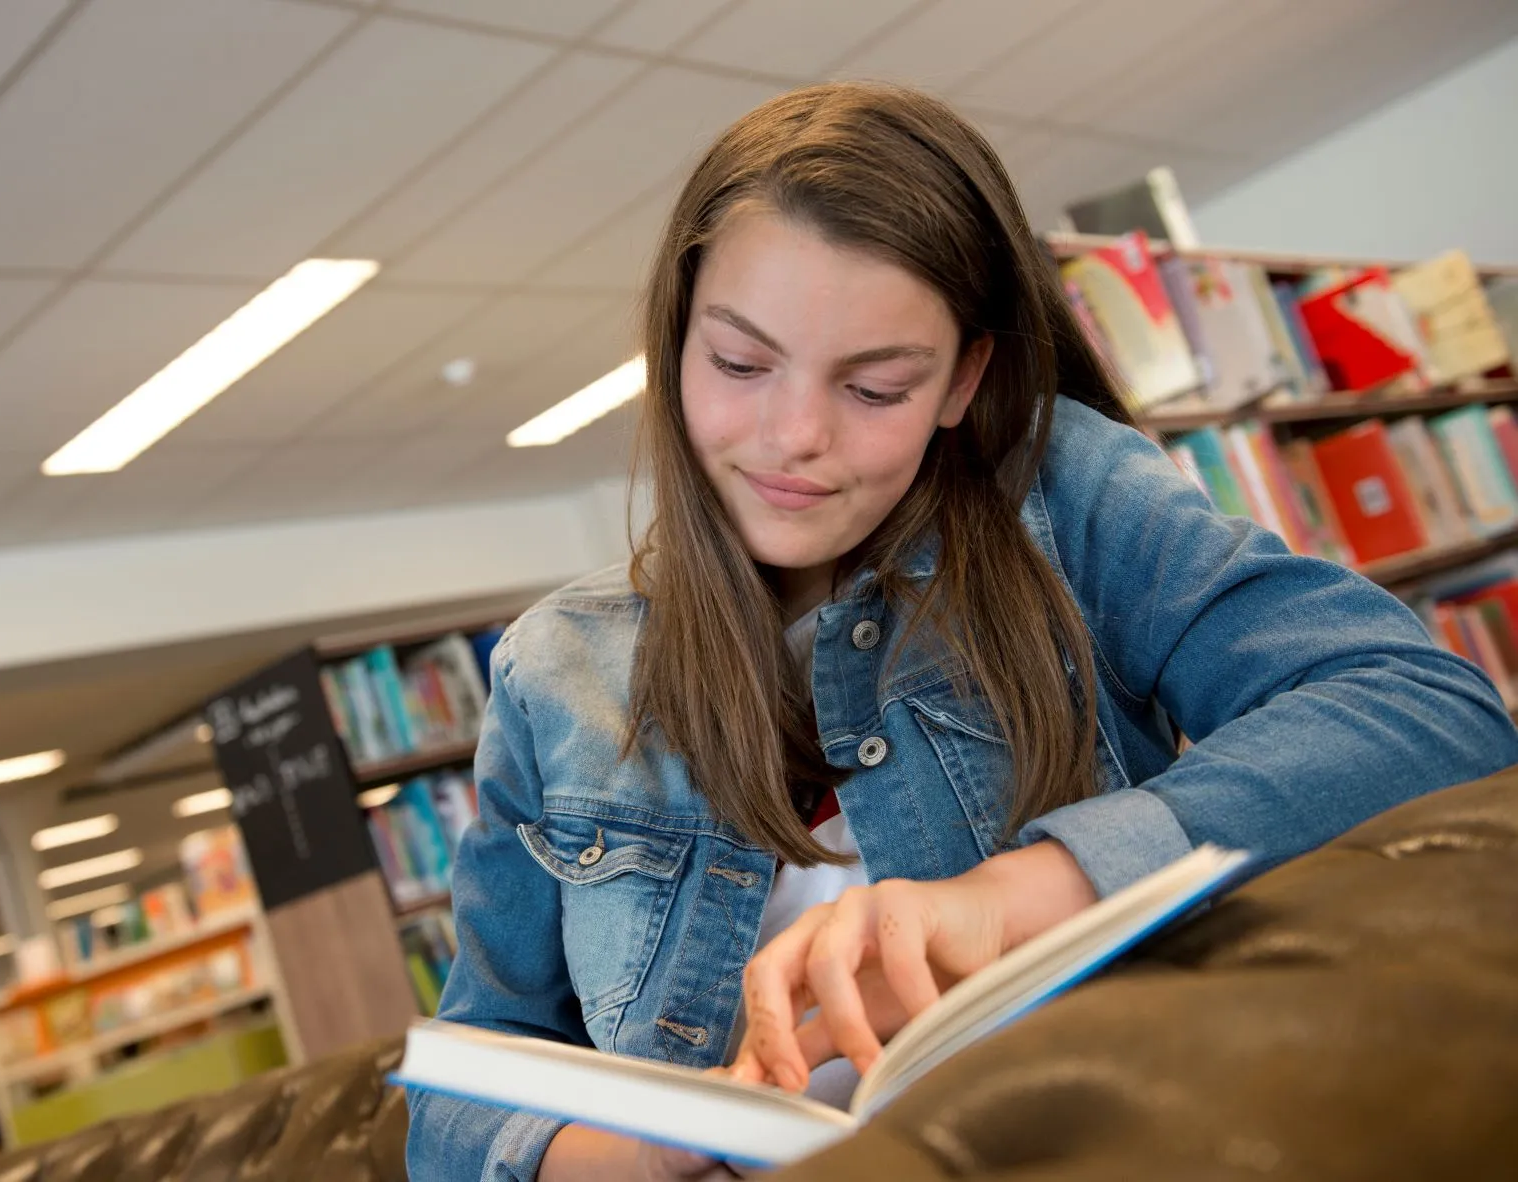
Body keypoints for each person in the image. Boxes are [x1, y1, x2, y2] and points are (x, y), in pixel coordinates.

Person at [404, 81, 1518, 1182]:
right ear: (676, 343)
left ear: (963, 377)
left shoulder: (1061, 502)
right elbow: (462, 1089)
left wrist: (1021, 899)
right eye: (739, 365)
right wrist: (649, 1148)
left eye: (877, 386)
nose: (793, 437)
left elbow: (1425, 706)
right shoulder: (555, 671)